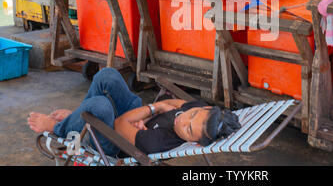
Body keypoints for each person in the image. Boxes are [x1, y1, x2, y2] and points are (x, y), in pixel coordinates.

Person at [27, 68, 241, 157]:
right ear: (203, 108)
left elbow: (120, 124)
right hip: (136, 118)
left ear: (195, 143)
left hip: (114, 142)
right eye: (191, 115)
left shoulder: (156, 142)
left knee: (100, 106)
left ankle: (59, 128)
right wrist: (148, 115)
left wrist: (155, 108)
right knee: (107, 75)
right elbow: (179, 103)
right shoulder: (199, 110)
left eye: (188, 129)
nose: (183, 120)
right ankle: (79, 119)